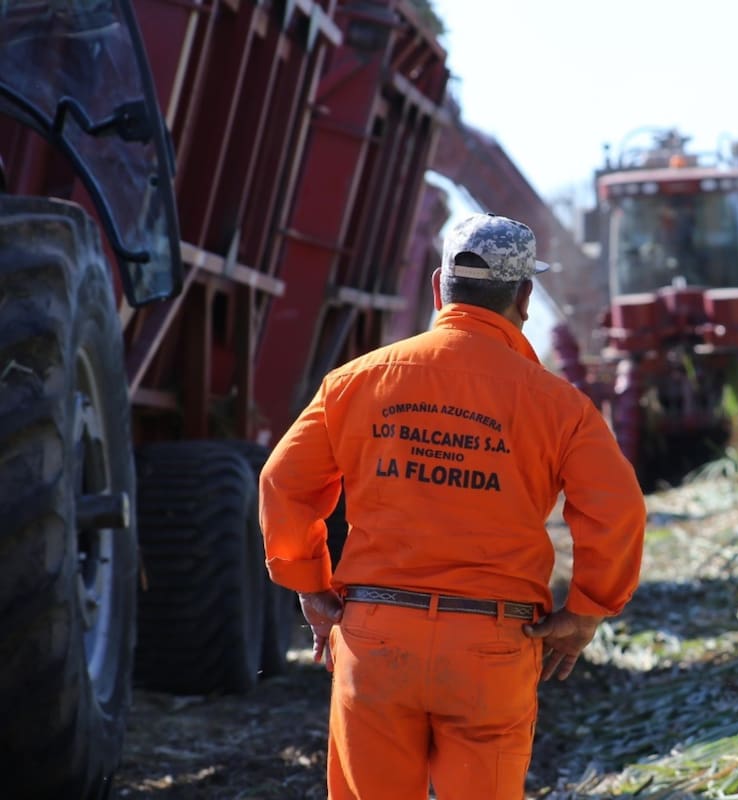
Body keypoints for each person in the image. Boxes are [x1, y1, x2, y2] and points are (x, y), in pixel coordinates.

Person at [259, 212, 646, 799]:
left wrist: (310, 586)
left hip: (377, 640)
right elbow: (618, 510)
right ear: (525, 297)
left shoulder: (357, 381)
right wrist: (586, 610)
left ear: (439, 287)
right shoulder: (561, 407)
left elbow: (283, 482)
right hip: (491, 649)